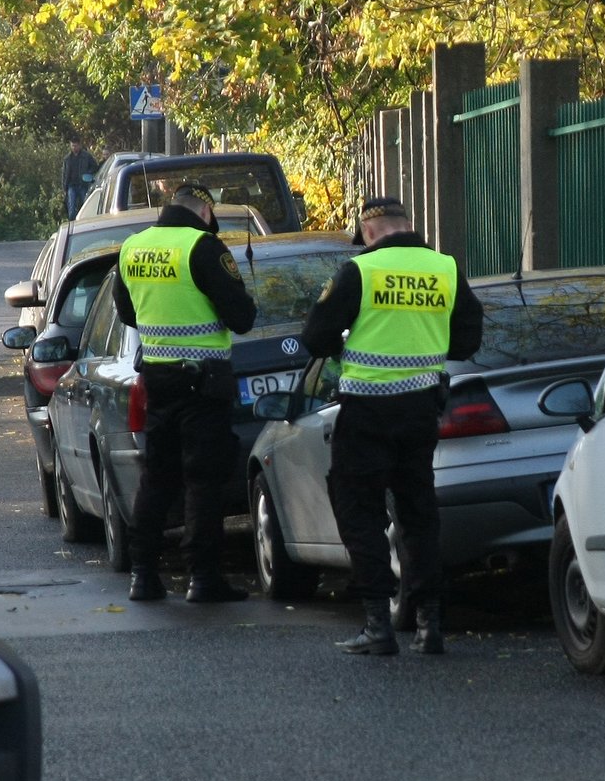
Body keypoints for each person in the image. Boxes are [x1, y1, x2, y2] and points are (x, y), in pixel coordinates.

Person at [301, 196, 484, 656]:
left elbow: (314, 338)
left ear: (369, 230)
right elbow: (468, 338)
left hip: (365, 412)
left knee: (359, 510)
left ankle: (378, 623)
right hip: (421, 410)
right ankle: (429, 624)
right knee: (418, 512)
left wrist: (348, 343)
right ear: (407, 224)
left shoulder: (360, 272)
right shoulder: (444, 268)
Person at [112, 183, 257, 603]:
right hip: (204, 383)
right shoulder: (203, 247)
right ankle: (202, 577)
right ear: (206, 214)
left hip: (157, 380)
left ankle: (143, 575)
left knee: (156, 478)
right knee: (203, 480)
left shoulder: (132, 248)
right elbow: (241, 317)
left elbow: (127, 312)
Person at [62, 136, 98, 220]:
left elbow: (95, 167)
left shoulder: (86, 156)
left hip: (83, 185)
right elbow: (64, 174)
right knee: (71, 209)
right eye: (73, 146)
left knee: (85, 207)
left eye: (76, 145)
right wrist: (64, 188)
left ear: (79, 145)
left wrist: (87, 174)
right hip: (71, 186)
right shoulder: (67, 159)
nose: (74, 148)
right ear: (70, 146)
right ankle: (72, 226)